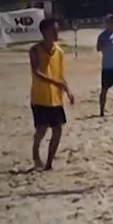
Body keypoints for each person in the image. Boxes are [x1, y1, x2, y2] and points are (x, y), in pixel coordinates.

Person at [29, 18, 74, 170]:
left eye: (57, 29)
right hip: (40, 98)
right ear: (44, 32)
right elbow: (36, 72)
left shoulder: (59, 51)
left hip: (56, 99)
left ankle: (49, 163)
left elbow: (60, 75)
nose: (56, 32)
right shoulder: (35, 50)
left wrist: (68, 90)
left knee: (57, 129)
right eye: (53, 29)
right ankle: (35, 154)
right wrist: (55, 83)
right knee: (41, 129)